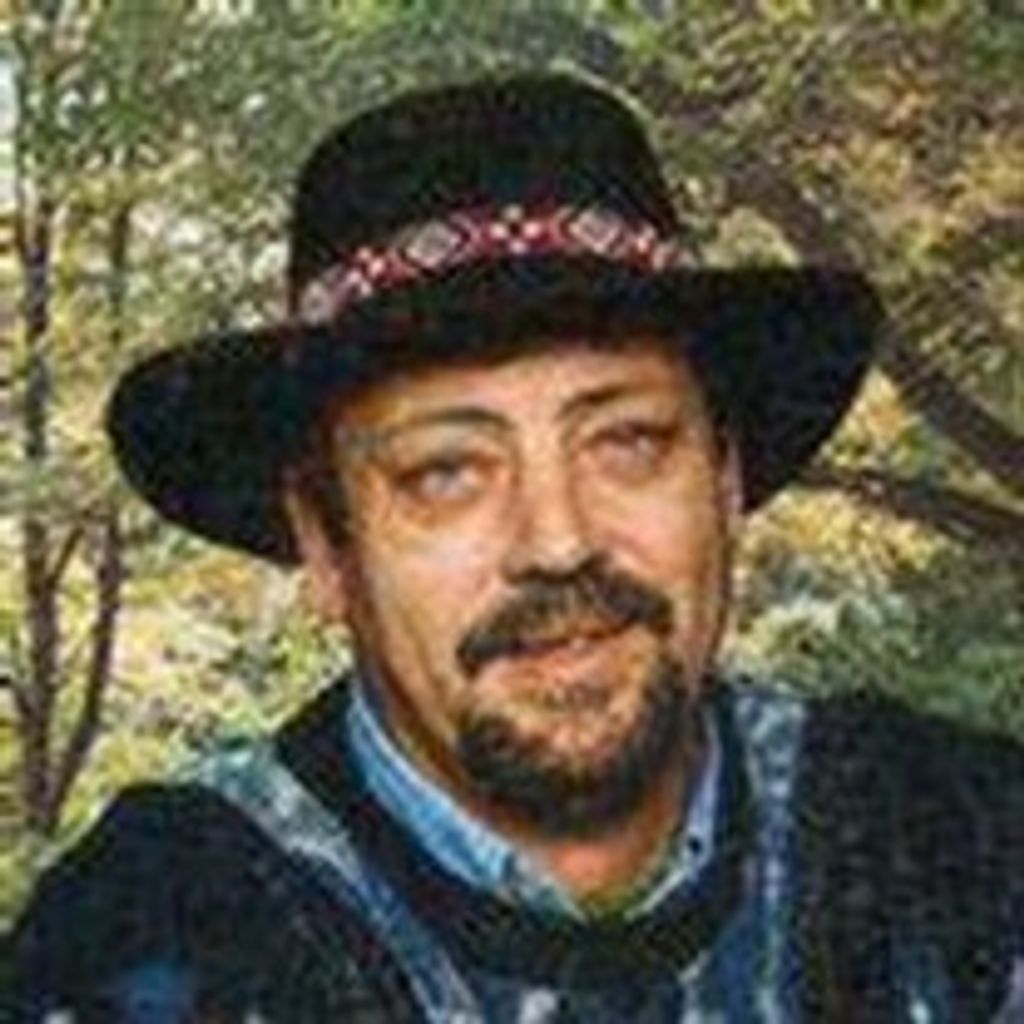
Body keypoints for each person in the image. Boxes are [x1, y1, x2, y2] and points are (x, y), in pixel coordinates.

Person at [5, 74, 1022, 1024]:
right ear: (325, 546)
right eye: (446, 472)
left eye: (627, 442)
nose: (559, 541)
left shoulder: (968, 841)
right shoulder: (147, 941)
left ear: (723, 483)